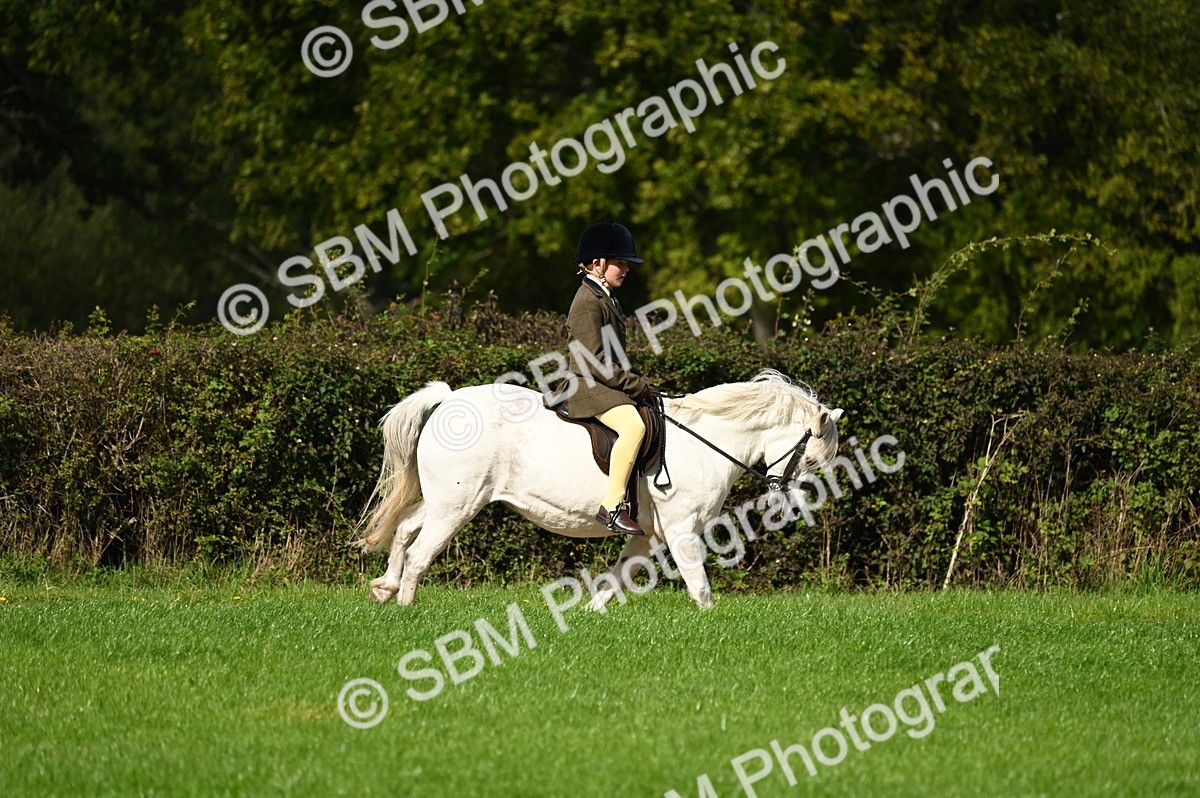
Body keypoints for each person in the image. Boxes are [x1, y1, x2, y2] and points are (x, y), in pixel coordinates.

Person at [560, 219, 660, 536]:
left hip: (602, 383)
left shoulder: (605, 296)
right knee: (633, 427)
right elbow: (594, 361)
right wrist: (635, 384)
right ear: (598, 264)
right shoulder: (586, 301)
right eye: (621, 263)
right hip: (587, 386)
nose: (626, 269)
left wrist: (639, 380)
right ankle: (612, 506)